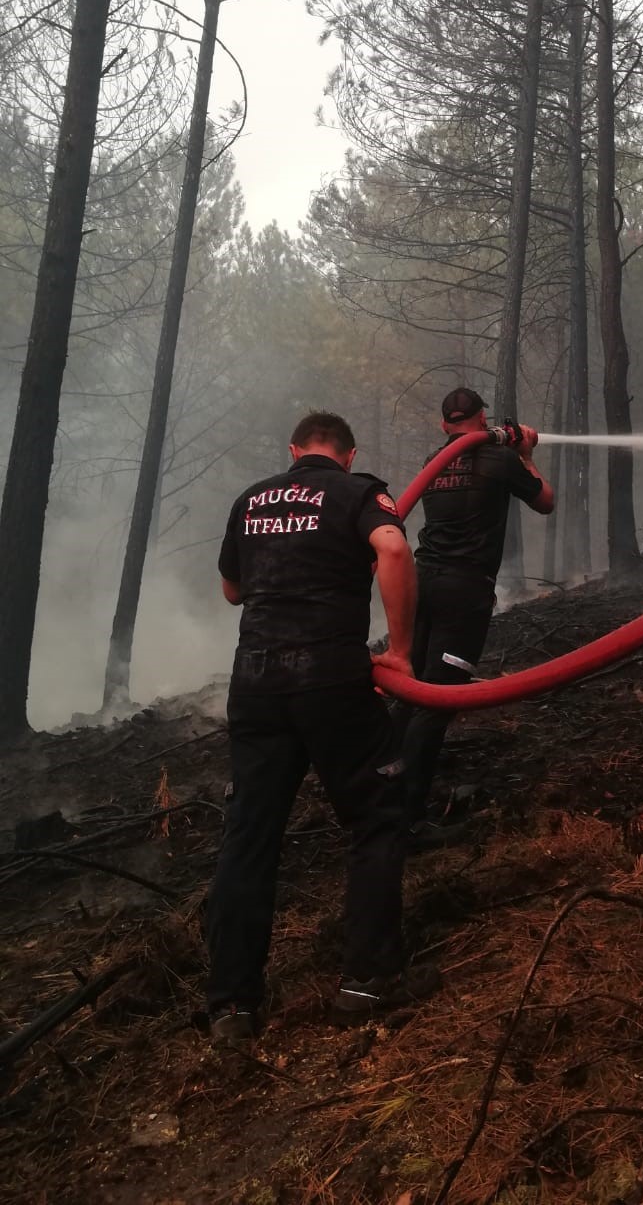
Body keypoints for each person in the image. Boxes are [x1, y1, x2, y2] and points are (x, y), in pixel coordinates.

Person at [205, 411, 438, 1047]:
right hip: (331, 679)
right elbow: (392, 548)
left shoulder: (252, 498)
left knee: (250, 835)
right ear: (348, 452)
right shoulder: (359, 489)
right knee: (376, 815)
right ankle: (367, 980)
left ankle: (231, 1004)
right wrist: (400, 650)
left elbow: (232, 591)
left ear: (292, 451)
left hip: (254, 685)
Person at [392, 386, 555, 848]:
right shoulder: (499, 461)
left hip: (421, 584)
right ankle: (406, 820)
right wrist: (525, 453)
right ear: (482, 419)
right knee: (438, 700)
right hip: (464, 593)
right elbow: (545, 500)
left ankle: (383, 792)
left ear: (445, 425)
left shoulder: (434, 462)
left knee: (410, 689)